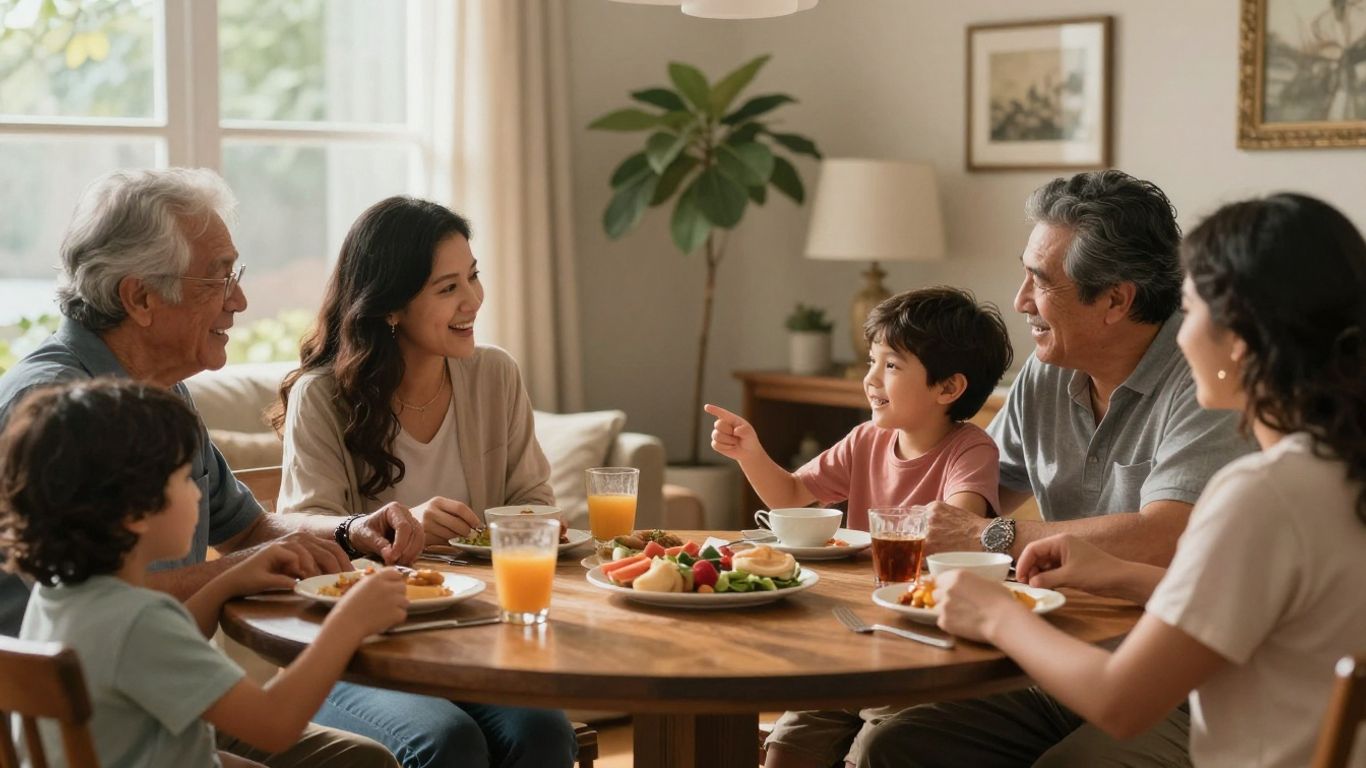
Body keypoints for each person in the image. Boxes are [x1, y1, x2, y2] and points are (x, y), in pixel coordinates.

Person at [897, 193, 1366, 768]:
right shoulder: (1336, 469)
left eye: (1190, 313)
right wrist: (1125, 575)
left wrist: (996, 613)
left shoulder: (1261, 494)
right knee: (900, 742)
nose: (1180, 335)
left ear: (1238, 341)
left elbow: (1121, 703)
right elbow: (1274, 612)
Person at [0, 167, 422, 767]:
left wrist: (350, 531)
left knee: (362, 761)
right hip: (95, 726)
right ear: (140, 297)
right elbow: (107, 594)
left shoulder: (161, 396)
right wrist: (338, 617)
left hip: (146, 705)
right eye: (220, 276)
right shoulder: (57, 412)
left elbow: (249, 532)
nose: (240, 299)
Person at [856, 171, 1256, 767]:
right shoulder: (1049, 373)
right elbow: (974, 484)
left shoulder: (1206, 381)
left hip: (1183, 678)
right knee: (892, 746)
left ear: (1116, 300)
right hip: (1070, 646)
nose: (1019, 300)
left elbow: (1168, 537)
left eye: (1040, 283)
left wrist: (989, 537)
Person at [273, 196, 576, 768]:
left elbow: (536, 503)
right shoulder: (322, 397)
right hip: (355, 649)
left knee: (542, 732)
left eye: (474, 276)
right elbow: (309, 541)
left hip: (472, 635)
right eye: (447, 289)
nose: (473, 301)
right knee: (446, 740)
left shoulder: (494, 374)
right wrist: (408, 526)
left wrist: (468, 532)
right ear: (390, 307)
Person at [0, 379, 408, 768]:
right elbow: (273, 724)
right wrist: (349, 621)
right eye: (182, 479)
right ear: (136, 512)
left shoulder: (61, 594)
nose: (197, 492)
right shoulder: (140, 621)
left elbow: (150, 656)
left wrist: (230, 580)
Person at [706, 286, 1014, 768]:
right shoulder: (865, 440)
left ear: (948, 388)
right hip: (852, 636)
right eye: (872, 361)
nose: (870, 379)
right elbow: (789, 494)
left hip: (916, 648)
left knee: (870, 751)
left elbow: (957, 526)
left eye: (890, 366)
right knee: (788, 746)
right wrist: (749, 452)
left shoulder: (970, 450)